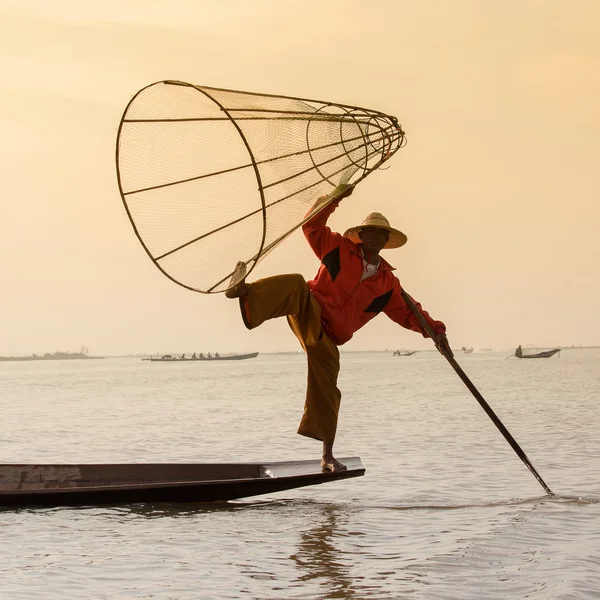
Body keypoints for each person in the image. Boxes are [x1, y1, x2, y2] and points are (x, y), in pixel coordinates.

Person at [225, 185, 450, 472]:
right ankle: (244, 293)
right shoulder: (337, 248)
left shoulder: (387, 283)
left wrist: (436, 332)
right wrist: (333, 200)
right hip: (310, 308)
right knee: (296, 283)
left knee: (329, 388)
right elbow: (311, 225)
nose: (376, 237)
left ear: (385, 241)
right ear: (362, 235)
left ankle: (327, 455)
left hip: (330, 336)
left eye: (382, 234)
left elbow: (410, 312)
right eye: (371, 232)